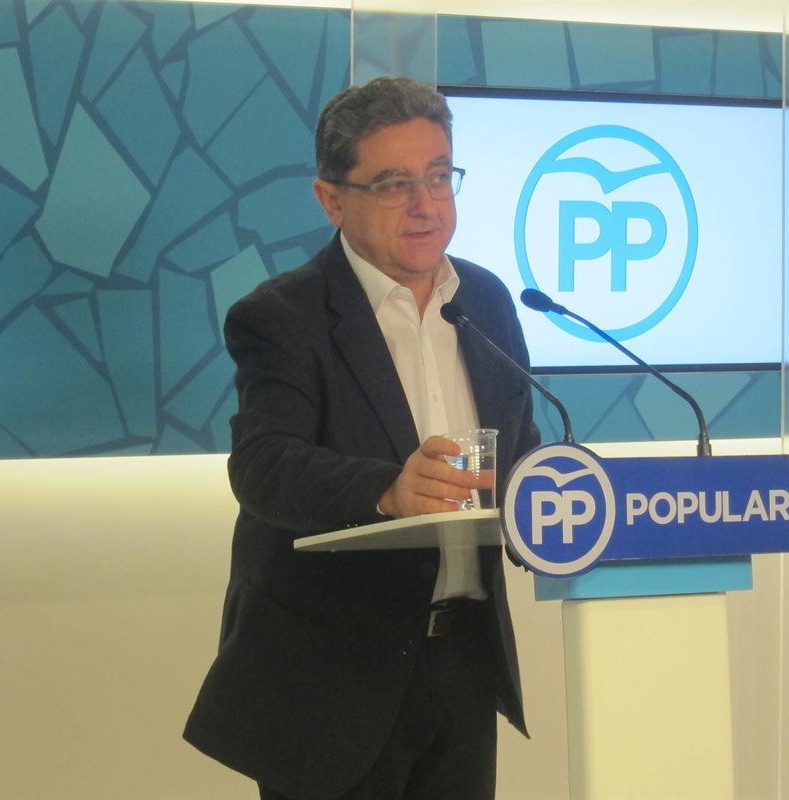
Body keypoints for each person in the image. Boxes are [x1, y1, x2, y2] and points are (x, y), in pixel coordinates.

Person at [183, 77, 540, 800]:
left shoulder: (487, 300)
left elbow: (520, 448)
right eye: (393, 184)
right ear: (331, 199)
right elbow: (263, 465)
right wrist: (387, 490)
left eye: (439, 175)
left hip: (464, 662)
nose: (426, 204)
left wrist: (555, 496)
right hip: (332, 681)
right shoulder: (283, 316)